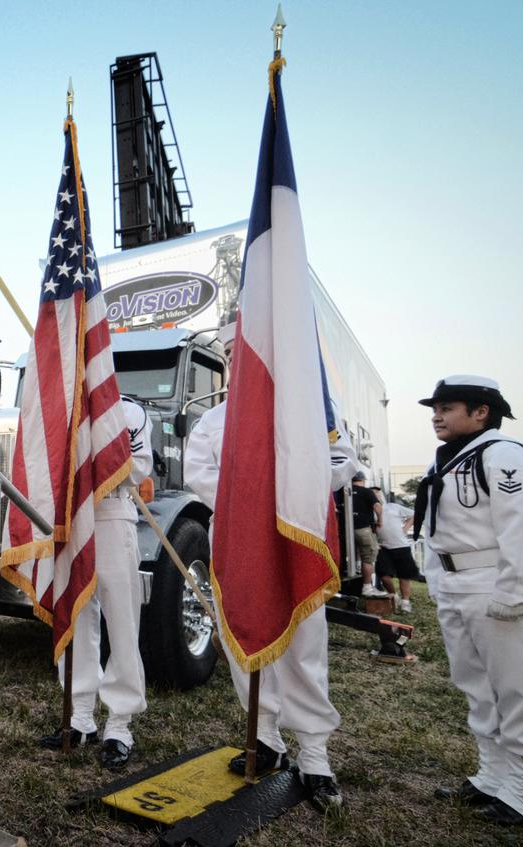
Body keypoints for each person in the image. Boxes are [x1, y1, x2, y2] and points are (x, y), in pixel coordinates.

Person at [183, 321, 356, 812]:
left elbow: (342, 460)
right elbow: (200, 477)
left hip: (292, 534)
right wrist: (253, 496)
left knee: (304, 645)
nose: (241, 358)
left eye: (249, 347)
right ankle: (265, 739)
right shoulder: (212, 421)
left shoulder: (307, 407)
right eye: (233, 351)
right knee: (243, 639)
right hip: (238, 535)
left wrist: (291, 488)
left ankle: (315, 756)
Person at [414, 375, 523, 830]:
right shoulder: (449, 461)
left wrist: (515, 593)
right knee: (476, 687)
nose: (437, 415)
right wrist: (439, 586)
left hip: (498, 582)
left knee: (518, 690)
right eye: (435, 407)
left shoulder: (505, 456)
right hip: (460, 586)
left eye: (448, 406)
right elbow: (437, 535)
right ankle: (494, 776)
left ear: (481, 413)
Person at [40, 396, 153, 770]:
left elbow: (139, 467)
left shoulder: (128, 410)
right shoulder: (62, 403)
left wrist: (88, 468)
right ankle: (80, 716)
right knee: (76, 615)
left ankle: (119, 724)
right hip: (71, 518)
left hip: (111, 511)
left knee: (121, 619)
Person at [372, 487, 417, 612]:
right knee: (384, 576)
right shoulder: (370, 511)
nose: (376, 496)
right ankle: (394, 595)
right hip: (383, 548)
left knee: (404, 575)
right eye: (373, 494)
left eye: (377, 493)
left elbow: (414, 514)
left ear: (381, 495)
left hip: (401, 546)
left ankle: (406, 602)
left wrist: (405, 528)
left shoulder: (393, 507)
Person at [350, 472, 388, 597]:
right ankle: (367, 587)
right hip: (363, 529)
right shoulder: (366, 491)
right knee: (368, 557)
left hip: (347, 531)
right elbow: (378, 506)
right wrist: (380, 520)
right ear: (363, 480)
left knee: (353, 556)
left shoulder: (343, 491)